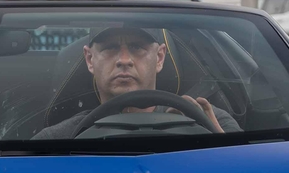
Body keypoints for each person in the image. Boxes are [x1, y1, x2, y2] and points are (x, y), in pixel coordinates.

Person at [69, 23, 225, 131]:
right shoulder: (63, 136)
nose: (124, 60)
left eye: (136, 47)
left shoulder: (209, 119)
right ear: (90, 59)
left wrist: (217, 143)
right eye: (110, 47)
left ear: (159, 57)